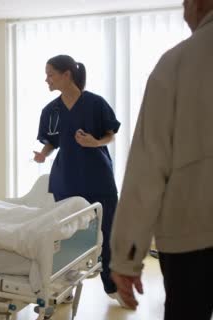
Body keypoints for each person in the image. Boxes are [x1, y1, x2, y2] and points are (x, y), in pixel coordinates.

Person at [110, 1, 213, 318]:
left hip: (193, 238)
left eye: (184, 3)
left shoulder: (177, 64)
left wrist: (127, 257)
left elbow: (147, 169)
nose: (184, 14)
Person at [34, 55, 124, 306]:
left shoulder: (95, 104)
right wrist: (43, 154)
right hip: (67, 178)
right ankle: (65, 286)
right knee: (66, 236)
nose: (47, 79)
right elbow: (53, 140)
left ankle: (112, 285)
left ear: (67, 75)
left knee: (106, 233)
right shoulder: (50, 110)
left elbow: (110, 134)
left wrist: (95, 142)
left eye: (51, 74)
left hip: (97, 176)